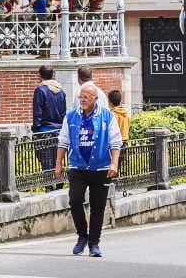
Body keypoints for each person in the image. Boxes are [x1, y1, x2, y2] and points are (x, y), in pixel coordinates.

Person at [55, 82, 123, 258]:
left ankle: (94, 243)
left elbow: (115, 142)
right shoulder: (71, 117)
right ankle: (82, 236)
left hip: (101, 167)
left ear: (95, 98)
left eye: (86, 97)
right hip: (77, 167)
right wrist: (58, 162)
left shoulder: (107, 116)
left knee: (97, 207)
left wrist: (114, 163)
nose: (82, 100)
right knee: (75, 200)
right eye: (80, 97)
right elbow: (63, 140)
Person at [32, 66, 67, 177]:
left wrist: (36, 129)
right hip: (59, 130)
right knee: (58, 159)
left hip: (44, 130)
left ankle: (49, 185)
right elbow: (63, 113)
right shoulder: (61, 91)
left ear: (40, 75)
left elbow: (37, 112)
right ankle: (59, 182)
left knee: (46, 161)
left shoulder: (40, 90)